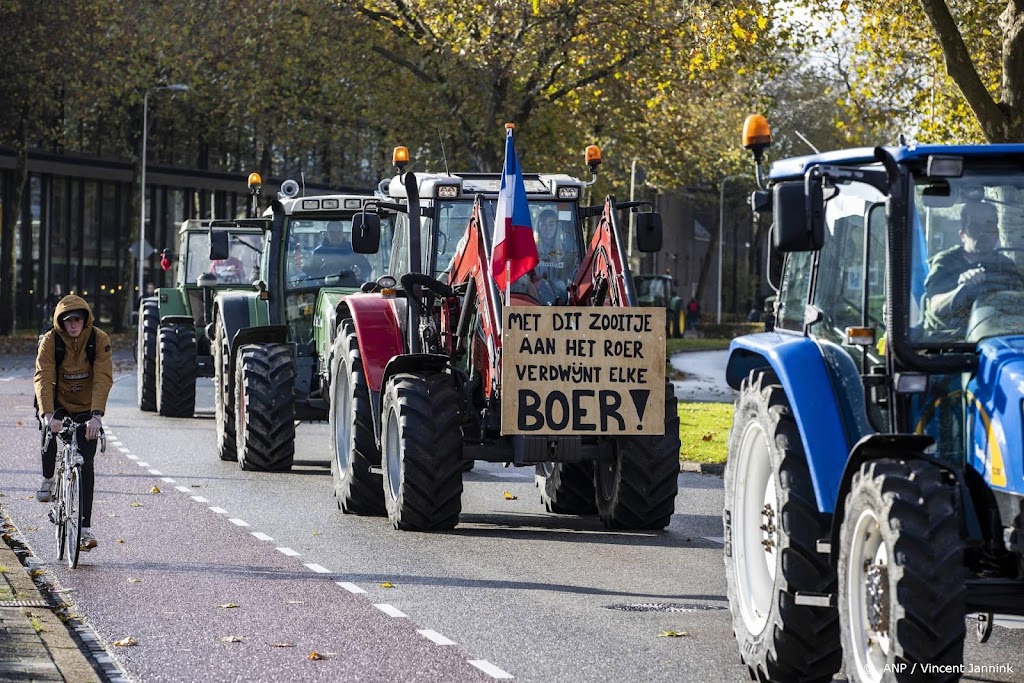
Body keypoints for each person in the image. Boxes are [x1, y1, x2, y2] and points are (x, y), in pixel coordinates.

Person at [33, 295, 113, 552]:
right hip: (56, 401)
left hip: (86, 407)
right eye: (69, 321)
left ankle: (84, 530)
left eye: (78, 319)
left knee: (86, 463)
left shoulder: (99, 339)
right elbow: (43, 377)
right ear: (61, 322)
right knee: (48, 433)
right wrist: (48, 415)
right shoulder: (50, 341)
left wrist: (97, 416)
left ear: (85, 319)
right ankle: (48, 480)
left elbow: (103, 377)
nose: (74, 325)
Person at [923, 202, 1024, 337]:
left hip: (1000, 335)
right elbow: (935, 306)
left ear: (997, 233)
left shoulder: (1005, 265)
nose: (983, 233)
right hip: (952, 341)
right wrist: (963, 288)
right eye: (975, 227)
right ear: (962, 234)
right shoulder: (946, 261)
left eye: (989, 226)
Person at [531, 209, 571, 304]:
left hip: (561, 291)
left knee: (560, 285)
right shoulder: (532, 248)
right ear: (538, 226)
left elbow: (570, 272)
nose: (547, 228)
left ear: (557, 226)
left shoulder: (566, 249)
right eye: (543, 224)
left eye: (551, 224)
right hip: (536, 289)